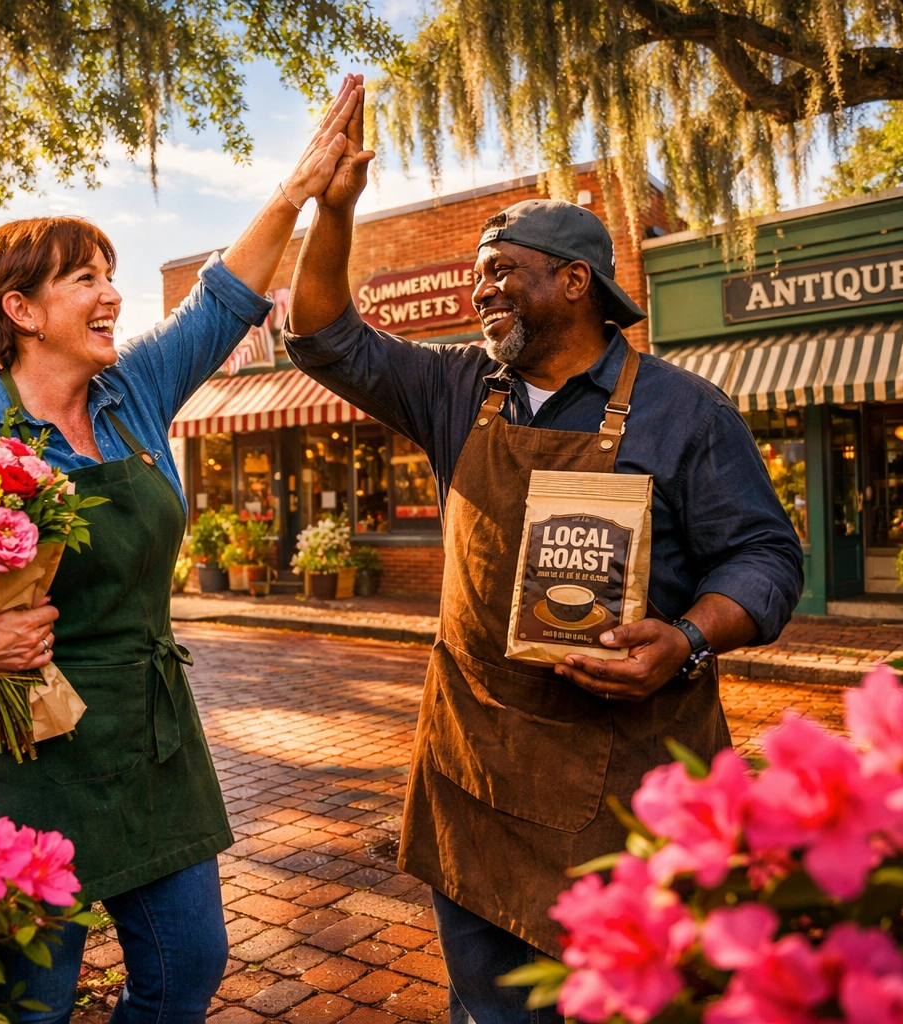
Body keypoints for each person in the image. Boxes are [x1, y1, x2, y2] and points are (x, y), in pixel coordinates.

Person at [0, 75, 368, 1024]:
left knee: (188, 971)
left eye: (109, 273)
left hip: (145, 733)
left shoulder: (134, 394)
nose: (110, 294)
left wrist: (296, 195)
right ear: (20, 311)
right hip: (10, 754)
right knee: (33, 1005)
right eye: (83, 278)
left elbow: (226, 298)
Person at [284, 83, 804, 1024]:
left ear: (575, 281)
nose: (479, 289)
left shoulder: (686, 410)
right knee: (488, 1010)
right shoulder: (457, 389)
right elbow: (321, 337)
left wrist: (684, 638)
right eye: (477, 274)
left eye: (502, 270)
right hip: (475, 768)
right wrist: (335, 209)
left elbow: (765, 561)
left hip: (628, 779)